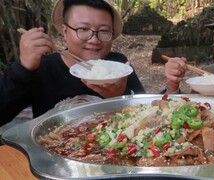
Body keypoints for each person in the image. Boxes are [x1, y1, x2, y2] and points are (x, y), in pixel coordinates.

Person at [0, 0, 145, 125]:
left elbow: (148, 114)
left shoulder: (119, 66)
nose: (94, 40)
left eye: (104, 31)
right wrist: (23, 68)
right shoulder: (43, 67)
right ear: (65, 31)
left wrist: (120, 96)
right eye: (83, 29)